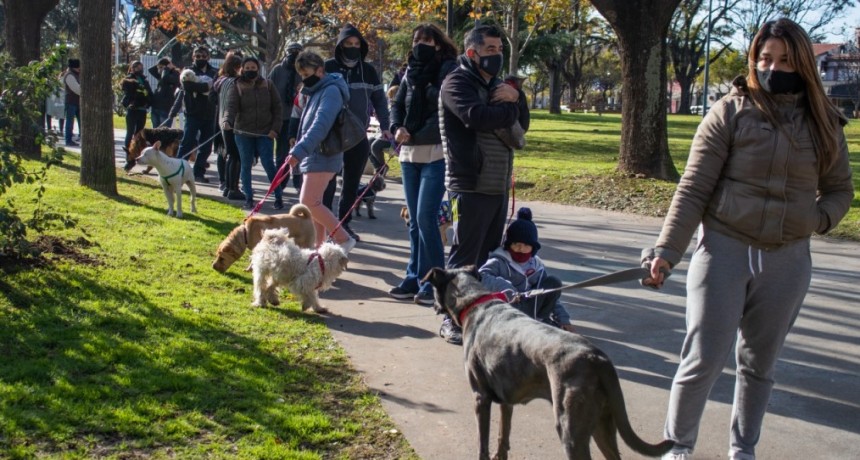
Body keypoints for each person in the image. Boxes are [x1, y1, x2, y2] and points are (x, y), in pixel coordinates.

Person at [641, 18, 853, 460]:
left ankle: (744, 449)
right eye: (766, 58)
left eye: (786, 60)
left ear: (804, 65)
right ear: (754, 59)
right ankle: (678, 445)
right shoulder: (730, 112)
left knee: (758, 366)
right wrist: (666, 251)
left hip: (788, 261)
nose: (774, 67)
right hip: (724, 250)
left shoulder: (825, 122)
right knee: (703, 357)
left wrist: (816, 219)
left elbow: (839, 190)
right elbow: (694, 187)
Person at [437, 24, 530, 344]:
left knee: (489, 257)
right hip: (468, 183)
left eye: (500, 49)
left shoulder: (502, 85)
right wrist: (508, 106)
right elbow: (474, 117)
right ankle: (449, 318)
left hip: (497, 183)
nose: (497, 55)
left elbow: (523, 124)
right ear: (472, 52)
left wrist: (516, 98)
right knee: (463, 256)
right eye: (490, 50)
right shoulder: (456, 82)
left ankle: (479, 313)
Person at [386, 23, 458, 306]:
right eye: (416, 39)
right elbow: (397, 105)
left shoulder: (448, 71)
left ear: (438, 44)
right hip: (408, 155)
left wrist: (413, 132)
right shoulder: (408, 72)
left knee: (426, 217)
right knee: (414, 221)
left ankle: (435, 282)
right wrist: (396, 127)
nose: (420, 44)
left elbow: (444, 113)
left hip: (436, 154)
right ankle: (414, 276)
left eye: (427, 40)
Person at [324, 24, 392, 242]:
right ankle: (326, 227)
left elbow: (380, 101)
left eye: (356, 44)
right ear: (340, 45)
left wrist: (385, 125)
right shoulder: (327, 67)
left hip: (358, 135)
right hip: (331, 134)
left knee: (351, 183)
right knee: (328, 182)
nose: (352, 48)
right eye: (348, 44)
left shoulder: (369, 71)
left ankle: (343, 226)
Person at [286, 51, 356, 253]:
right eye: (302, 75)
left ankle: (343, 239)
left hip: (324, 153)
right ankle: (319, 248)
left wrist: (298, 151)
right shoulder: (316, 90)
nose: (304, 79)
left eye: (307, 74)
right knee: (314, 203)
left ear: (320, 70)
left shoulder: (331, 91)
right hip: (314, 153)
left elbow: (320, 126)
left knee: (308, 202)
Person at [479, 207, 575, 332]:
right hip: (508, 308)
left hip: (529, 307)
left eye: (526, 245)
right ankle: (530, 324)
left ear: (533, 248)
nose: (521, 249)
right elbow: (482, 276)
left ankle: (540, 320)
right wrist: (506, 288)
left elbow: (549, 295)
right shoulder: (499, 260)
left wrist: (564, 319)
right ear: (509, 245)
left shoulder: (536, 266)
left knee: (553, 283)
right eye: (516, 244)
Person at [222, 56, 283, 210]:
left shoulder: (268, 84)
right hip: (243, 132)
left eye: (253, 67)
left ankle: (278, 196)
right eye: (247, 68)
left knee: (269, 164)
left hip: (265, 133)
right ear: (242, 69)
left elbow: (277, 108)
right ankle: (248, 198)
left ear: (258, 68)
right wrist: (227, 121)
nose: (250, 70)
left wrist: (275, 129)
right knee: (246, 165)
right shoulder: (236, 85)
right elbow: (231, 107)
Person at [174, 46, 218, 183]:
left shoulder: (215, 72)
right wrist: (206, 87)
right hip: (192, 113)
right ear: (193, 57)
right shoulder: (188, 71)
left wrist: (202, 87)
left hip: (209, 113)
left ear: (208, 57)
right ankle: (178, 171)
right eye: (197, 56)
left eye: (203, 56)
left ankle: (198, 172)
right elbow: (187, 87)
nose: (200, 59)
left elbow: (216, 88)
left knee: (206, 146)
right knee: (187, 142)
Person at [270, 42, 305, 194]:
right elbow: (269, 91)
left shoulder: (304, 71)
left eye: (297, 52)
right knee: (282, 154)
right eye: (291, 51)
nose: (294, 54)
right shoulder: (277, 70)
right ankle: (280, 185)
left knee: (300, 154)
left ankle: (299, 184)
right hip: (282, 118)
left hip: (300, 118)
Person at [213, 53, 245, 201]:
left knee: (230, 155)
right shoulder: (234, 82)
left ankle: (227, 186)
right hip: (232, 122)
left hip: (222, 122)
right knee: (236, 156)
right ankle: (233, 188)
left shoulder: (222, 81)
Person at [120, 61, 153, 171]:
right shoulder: (129, 79)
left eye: (141, 67)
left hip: (142, 110)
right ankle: (128, 157)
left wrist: (148, 102)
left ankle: (137, 154)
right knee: (130, 133)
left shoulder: (144, 79)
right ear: (133, 68)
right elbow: (126, 89)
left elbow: (149, 93)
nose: (140, 69)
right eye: (138, 68)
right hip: (132, 110)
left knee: (139, 134)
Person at [148, 57, 180, 129]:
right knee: (155, 130)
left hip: (165, 107)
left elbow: (165, 78)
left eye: (161, 67)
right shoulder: (161, 75)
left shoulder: (175, 74)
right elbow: (151, 70)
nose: (159, 69)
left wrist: (167, 68)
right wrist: (162, 63)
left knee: (164, 131)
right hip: (156, 106)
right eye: (158, 67)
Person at [61, 58, 81, 146]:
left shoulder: (77, 74)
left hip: (78, 102)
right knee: (70, 122)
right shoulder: (69, 75)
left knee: (81, 121)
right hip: (71, 102)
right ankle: (68, 140)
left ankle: (82, 137)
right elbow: (77, 89)